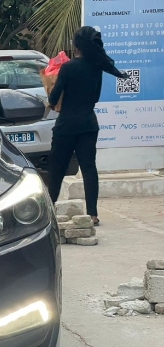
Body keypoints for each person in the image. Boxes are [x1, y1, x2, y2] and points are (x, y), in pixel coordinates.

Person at [47, 26, 129, 226]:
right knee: (89, 168)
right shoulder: (97, 67)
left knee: (57, 168)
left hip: (66, 124)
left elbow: (54, 97)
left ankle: (49, 210)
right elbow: (95, 96)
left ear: (76, 46)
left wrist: (51, 101)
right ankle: (92, 213)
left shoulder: (68, 68)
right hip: (89, 123)